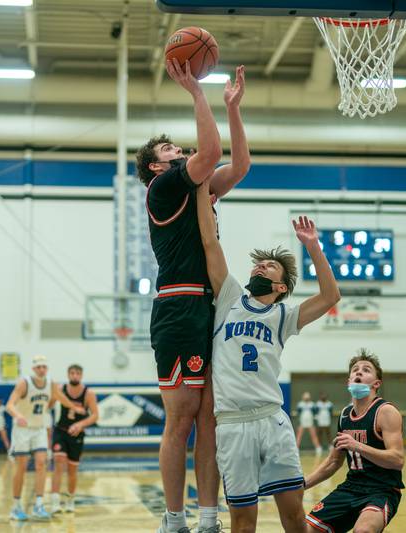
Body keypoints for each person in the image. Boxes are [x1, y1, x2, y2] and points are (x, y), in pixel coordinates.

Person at [134, 60, 250, 533]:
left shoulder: (199, 189)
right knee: (180, 420)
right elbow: (211, 149)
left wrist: (232, 107)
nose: (179, 149)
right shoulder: (163, 188)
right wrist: (197, 93)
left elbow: (238, 164)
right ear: (155, 166)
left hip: (212, 306)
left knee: (210, 419)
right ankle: (173, 518)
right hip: (180, 304)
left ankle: (206, 517)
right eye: (169, 148)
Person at [195, 178, 340, 532]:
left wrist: (313, 247)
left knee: (293, 515)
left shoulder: (283, 316)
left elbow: (330, 296)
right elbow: (210, 242)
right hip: (231, 423)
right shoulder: (229, 296)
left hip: (272, 421)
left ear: (281, 287)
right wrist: (200, 186)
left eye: (268, 268)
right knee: (243, 521)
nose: (259, 268)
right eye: (257, 266)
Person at [304, 350, 405, 533]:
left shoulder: (386, 412)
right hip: (351, 487)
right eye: (355, 370)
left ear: (376, 383)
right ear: (348, 381)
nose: (359, 372)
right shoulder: (344, 415)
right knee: (306, 530)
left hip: (382, 490)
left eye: (366, 370)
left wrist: (357, 445)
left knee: (363, 531)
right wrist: (303, 485)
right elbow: (334, 462)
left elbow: (397, 460)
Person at [5, 355, 77, 521]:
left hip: (39, 429)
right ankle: (15, 507)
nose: (42, 369)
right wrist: (18, 415)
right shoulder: (24, 383)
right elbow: (9, 405)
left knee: (41, 464)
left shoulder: (50, 383)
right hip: (22, 429)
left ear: (47, 368)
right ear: (33, 368)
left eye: (44, 367)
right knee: (21, 467)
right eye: (39, 367)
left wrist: (74, 407)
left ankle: (39, 504)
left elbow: (61, 398)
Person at [49, 364, 99, 514]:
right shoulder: (61, 389)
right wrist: (52, 393)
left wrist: (80, 425)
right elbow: (49, 405)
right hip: (61, 432)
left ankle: (70, 499)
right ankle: (55, 502)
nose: (75, 376)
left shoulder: (88, 393)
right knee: (58, 464)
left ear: (81, 375)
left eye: (77, 373)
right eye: (72, 373)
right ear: (68, 374)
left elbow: (95, 415)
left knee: (72, 470)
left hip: (76, 435)